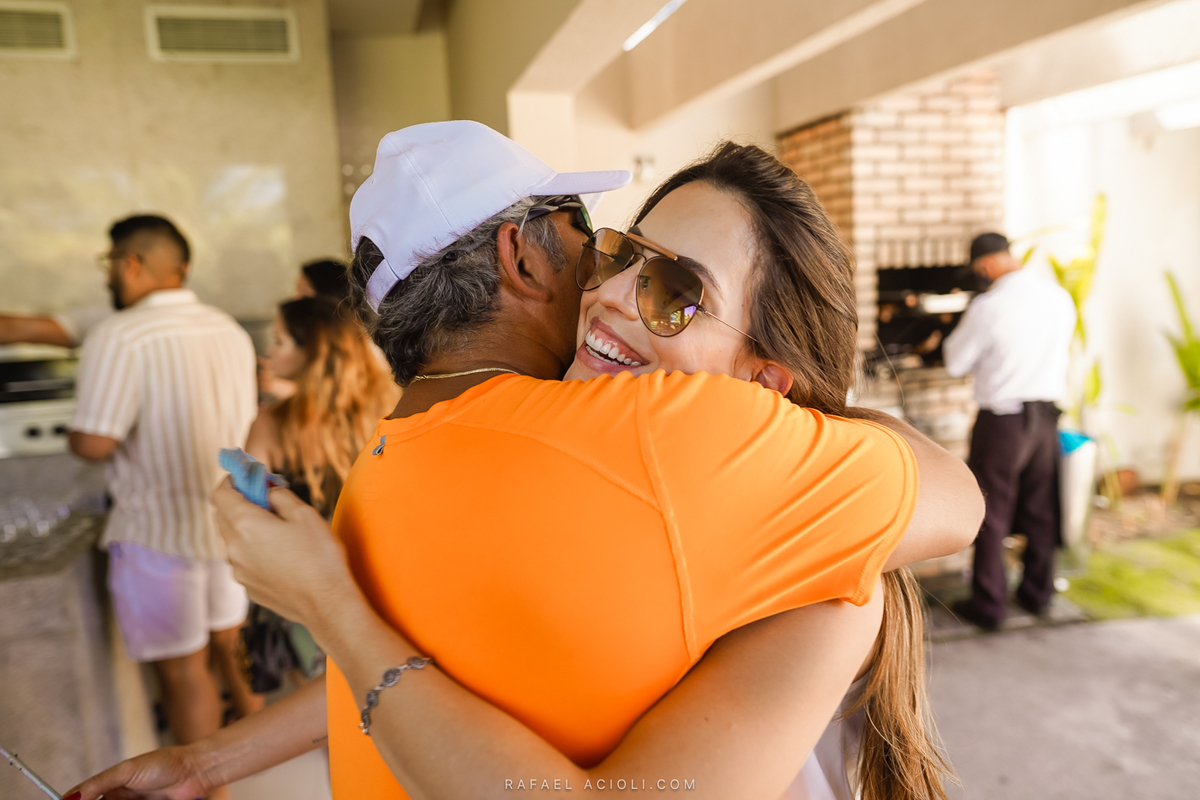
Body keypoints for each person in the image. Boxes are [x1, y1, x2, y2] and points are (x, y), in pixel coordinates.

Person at [67, 125, 981, 800]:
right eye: (615, 252)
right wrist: (212, 755)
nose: (608, 291)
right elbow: (445, 663)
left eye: (672, 290)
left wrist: (312, 633)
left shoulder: (386, 462)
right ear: (522, 257)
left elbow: (401, 662)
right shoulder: (649, 453)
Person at [66, 214, 259, 800]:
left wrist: (77, 435)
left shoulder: (119, 336)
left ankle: (208, 792)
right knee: (230, 649)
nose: (108, 276)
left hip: (157, 535)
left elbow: (95, 442)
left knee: (183, 673)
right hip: (229, 526)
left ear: (130, 265)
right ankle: (238, 776)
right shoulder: (228, 329)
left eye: (109, 264)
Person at [943, 232, 1076, 630]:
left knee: (991, 510)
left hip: (1004, 422)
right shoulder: (1058, 297)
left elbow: (955, 362)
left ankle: (989, 605)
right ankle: (1038, 593)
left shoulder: (989, 306)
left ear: (986, 265)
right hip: (1047, 418)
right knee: (1040, 510)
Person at [246, 295, 397, 518]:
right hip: (375, 537)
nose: (269, 350)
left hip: (300, 540)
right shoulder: (385, 407)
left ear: (311, 350)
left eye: (278, 341)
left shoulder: (271, 425)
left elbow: (251, 511)